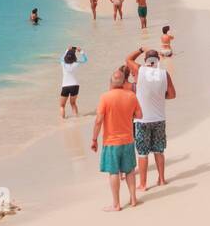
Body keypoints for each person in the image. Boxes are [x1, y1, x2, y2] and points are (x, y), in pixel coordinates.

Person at [91, 69, 142, 211]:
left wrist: (94, 139)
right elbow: (139, 115)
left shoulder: (105, 97)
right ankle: (133, 199)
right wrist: (127, 116)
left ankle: (116, 204)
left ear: (111, 82)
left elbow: (99, 120)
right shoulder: (131, 96)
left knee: (114, 172)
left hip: (112, 142)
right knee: (130, 170)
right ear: (123, 83)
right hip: (128, 139)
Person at [134, 49, 176, 190]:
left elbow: (127, 59)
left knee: (142, 153)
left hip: (142, 120)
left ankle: (143, 184)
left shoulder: (140, 70)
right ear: (158, 59)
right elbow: (172, 95)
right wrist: (159, 97)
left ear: (145, 59)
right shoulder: (164, 74)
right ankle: (162, 179)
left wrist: (140, 49)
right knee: (159, 151)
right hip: (159, 119)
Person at [59, 46, 87, 118]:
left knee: (62, 105)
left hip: (65, 86)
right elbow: (85, 60)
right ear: (74, 57)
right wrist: (81, 51)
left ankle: (62, 121)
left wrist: (67, 49)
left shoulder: (63, 64)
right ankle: (76, 118)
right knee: (73, 103)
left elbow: (61, 58)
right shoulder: (76, 63)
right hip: (75, 86)